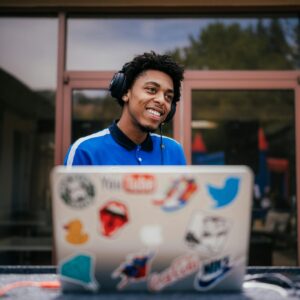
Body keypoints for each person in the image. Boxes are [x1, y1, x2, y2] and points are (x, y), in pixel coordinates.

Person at [64, 51, 186, 166]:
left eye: (168, 96)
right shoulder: (85, 151)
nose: (161, 100)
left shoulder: (174, 151)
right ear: (125, 92)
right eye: (151, 90)